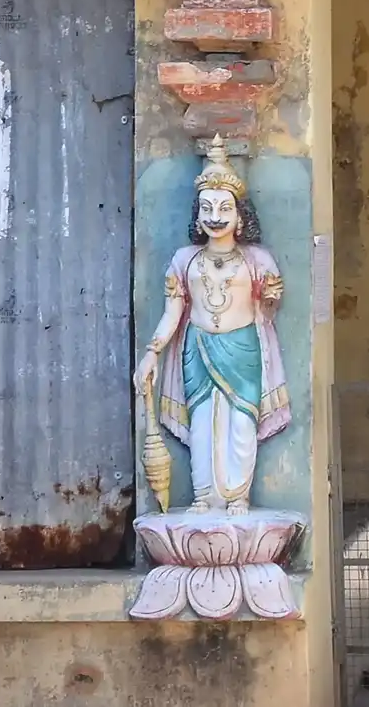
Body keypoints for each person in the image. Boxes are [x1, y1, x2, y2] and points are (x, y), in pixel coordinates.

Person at [135, 149, 291, 512]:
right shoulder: (184, 259)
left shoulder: (257, 260)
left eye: (224, 209)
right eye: (207, 209)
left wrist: (269, 297)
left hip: (244, 348)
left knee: (241, 425)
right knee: (202, 423)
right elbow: (173, 310)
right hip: (198, 349)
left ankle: (238, 496)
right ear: (197, 215)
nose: (215, 218)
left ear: (239, 217)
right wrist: (152, 352)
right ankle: (205, 496)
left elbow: (267, 312)